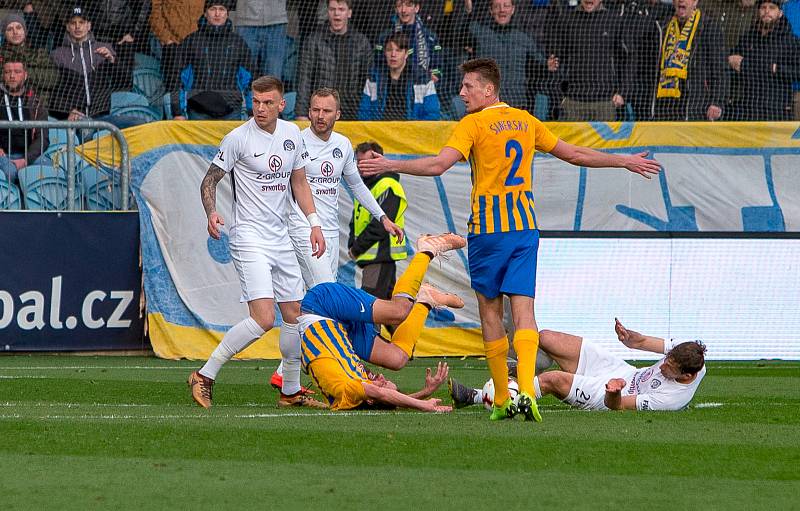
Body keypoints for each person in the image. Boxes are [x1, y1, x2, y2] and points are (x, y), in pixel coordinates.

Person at [358, 57, 661, 422]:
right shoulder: (526, 121)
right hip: (524, 230)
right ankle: (528, 395)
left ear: (488, 89)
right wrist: (623, 161)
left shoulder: (473, 123)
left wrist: (391, 164)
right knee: (525, 313)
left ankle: (503, 396)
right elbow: (575, 153)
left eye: (468, 86)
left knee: (490, 312)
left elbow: (439, 165)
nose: (461, 92)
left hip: (488, 232)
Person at [188, 76, 327, 410]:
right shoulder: (238, 138)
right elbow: (209, 181)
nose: (260, 108)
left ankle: (290, 391)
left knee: (295, 314)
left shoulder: (293, 134)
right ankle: (204, 375)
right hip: (249, 236)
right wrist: (211, 212)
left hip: (280, 236)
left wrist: (314, 223)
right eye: (256, 101)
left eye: (268, 103)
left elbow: (300, 182)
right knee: (264, 318)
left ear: (282, 105)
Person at [268, 87, 403, 391]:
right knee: (329, 301)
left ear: (337, 114)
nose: (320, 116)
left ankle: (285, 373)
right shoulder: (296, 141)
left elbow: (356, 185)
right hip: (302, 228)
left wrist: (382, 217)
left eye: (326, 111)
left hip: (329, 234)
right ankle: (349, 368)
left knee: (309, 305)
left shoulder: (342, 145)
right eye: (315, 109)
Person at [298, 233, 465, 410]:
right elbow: (386, 399)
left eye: (384, 383)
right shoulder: (352, 399)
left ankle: (427, 250)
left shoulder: (351, 390)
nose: (383, 379)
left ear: (369, 397)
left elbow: (381, 395)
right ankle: (425, 300)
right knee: (397, 359)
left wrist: (424, 406)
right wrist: (424, 393)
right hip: (339, 331)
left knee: (398, 311)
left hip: (321, 306)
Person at [450, 319, 707, 412]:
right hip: (621, 370)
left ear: (685, 375)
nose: (663, 366)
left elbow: (616, 407)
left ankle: (477, 396)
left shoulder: (672, 399)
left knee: (553, 379)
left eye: (669, 368)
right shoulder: (690, 353)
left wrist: (614, 391)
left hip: (612, 392)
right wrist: (629, 338)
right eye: (667, 359)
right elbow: (641, 342)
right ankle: (521, 375)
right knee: (546, 337)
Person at [171, 1, 255, 120]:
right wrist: (177, 112)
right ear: (205, 13)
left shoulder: (238, 43)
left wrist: (252, 111)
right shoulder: (191, 41)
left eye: (221, 9)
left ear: (227, 14)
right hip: (198, 111)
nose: (217, 14)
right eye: (213, 9)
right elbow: (177, 78)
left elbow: (250, 80)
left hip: (231, 111)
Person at [545, 0, 627, 121]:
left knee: (604, 141)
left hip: (605, 103)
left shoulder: (614, 20)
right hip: (573, 102)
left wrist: (622, 92)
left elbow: (625, 60)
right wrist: (560, 97)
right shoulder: (566, 19)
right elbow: (556, 60)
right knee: (571, 141)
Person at [294, 0, 373, 121]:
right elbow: (304, 79)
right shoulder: (314, 40)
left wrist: (365, 114)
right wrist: (302, 113)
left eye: (341, 9)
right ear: (327, 12)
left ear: (349, 13)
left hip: (352, 112)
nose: (336, 14)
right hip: (321, 111)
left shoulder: (361, 43)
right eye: (332, 9)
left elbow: (368, 81)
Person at [349, 141, 408, 300]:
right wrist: (352, 245)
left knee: (371, 307)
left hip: (379, 256)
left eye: (367, 162)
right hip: (373, 256)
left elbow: (380, 226)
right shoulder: (366, 187)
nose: (362, 166)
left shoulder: (387, 184)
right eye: (359, 162)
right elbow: (356, 220)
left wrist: (356, 248)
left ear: (379, 160)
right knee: (389, 311)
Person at [652, 0, 728, 121]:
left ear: (695, 2)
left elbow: (720, 69)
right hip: (665, 107)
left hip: (696, 107)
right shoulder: (663, 27)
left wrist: (717, 102)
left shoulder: (709, 27)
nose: (681, 0)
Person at [467, 0, 549, 112]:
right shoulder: (479, 32)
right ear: (491, 10)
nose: (502, 10)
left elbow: (540, 63)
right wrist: (467, 9)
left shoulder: (523, 37)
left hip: (517, 104)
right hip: (486, 105)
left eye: (506, 6)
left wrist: (548, 64)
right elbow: (457, 32)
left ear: (513, 9)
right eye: (497, 6)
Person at [726, 0, 800, 120]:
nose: (767, 11)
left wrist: (776, 68)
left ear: (780, 13)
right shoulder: (748, 38)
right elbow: (732, 61)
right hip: (747, 109)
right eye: (763, 7)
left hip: (777, 111)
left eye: (772, 8)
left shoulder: (791, 41)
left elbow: (797, 72)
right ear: (758, 11)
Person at [49, 5, 117, 123]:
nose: (77, 26)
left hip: (102, 116)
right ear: (67, 27)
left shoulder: (105, 48)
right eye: (73, 23)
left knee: (135, 123)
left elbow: (125, 81)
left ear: (89, 25)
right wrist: (68, 110)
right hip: (75, 119)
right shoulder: (57, 55)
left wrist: (111, 59)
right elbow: (52, 93)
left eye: (81, 22)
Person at [358, 32, 441, 120]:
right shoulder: (373, 78)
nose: (393, 55)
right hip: (380, 131)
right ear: (385, 53)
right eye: (389, 50)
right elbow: (364, 112)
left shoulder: (423, 79)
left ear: (406, 54)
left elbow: (433, 115)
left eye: (398, 50)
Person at [0, 59, 48, 183]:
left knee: (47, 166)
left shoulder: (36, 102)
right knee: (9, 172)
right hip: (3, 155)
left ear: (25, 75)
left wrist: (26, 160)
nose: (12, 76)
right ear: (2, 75)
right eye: (7, 72)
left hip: (28, 155)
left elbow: (42, 137)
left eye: (17, 72)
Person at [376, 0, 442, 83]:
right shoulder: (385, 36)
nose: (403, 10)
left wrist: (434, 77)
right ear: (395, 9)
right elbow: (378, 63)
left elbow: (438, 66)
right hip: (394, 85)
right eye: (399, 5)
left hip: (423, 87)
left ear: (416, 8)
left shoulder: (430, 37)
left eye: (408, 5)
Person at [0, 13, 59, 107]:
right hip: (7, 108)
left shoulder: (39, 53)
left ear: (25, 31)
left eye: (19, 27)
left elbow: (53, 78)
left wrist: (22, 73)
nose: (15, 32)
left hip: (38, 109)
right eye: (10, 29)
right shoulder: (1, 55)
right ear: (4, 34)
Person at [149, 0, 206, 92]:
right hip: (174, 45)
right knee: (174, 87)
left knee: (198, 86)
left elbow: (209, 10)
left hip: (198, 43)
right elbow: (153, 11)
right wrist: (166, 38)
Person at [234, 0, 289, 80]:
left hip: (276, 22)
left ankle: (271, 93)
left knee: (273, 74)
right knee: (245, 73)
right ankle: (245, 92)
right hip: (246, 20)